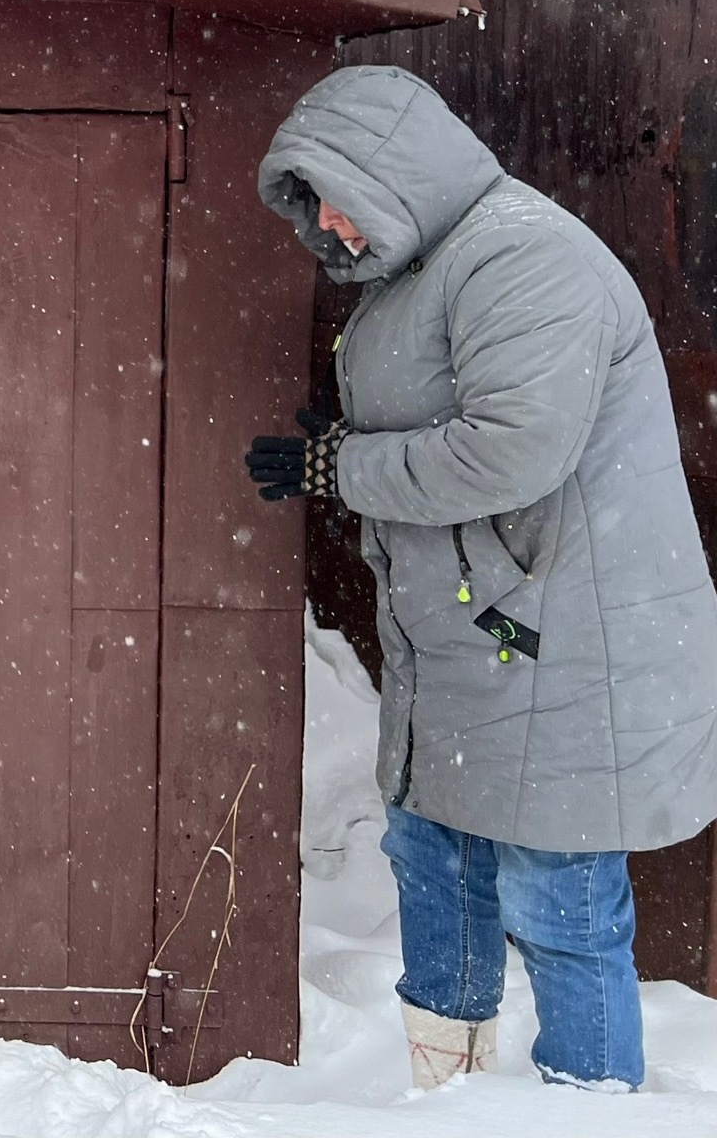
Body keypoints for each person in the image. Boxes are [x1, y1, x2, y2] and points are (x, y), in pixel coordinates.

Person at [248, 63, 717, 1093]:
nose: (327, 221)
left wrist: (343, 466)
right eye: (309, 201)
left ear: (395, 171)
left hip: (565, 640)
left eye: (338, 191)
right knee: (434, 869)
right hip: (473, 637)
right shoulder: (423, 269)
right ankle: (446, 1105)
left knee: (560, 904)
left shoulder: (525, 259)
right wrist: (351, 435)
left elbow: (510, 452)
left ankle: (589, 1113)